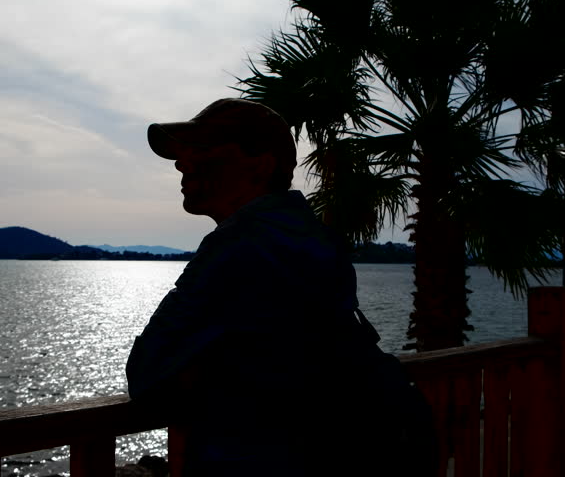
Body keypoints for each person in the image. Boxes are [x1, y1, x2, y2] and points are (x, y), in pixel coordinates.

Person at [126, 98, 436, 476]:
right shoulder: (317, 239)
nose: (182, 162)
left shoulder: (238, 245)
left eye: (202, 150)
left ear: (261, 165)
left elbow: (146, 373)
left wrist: (205, 373)